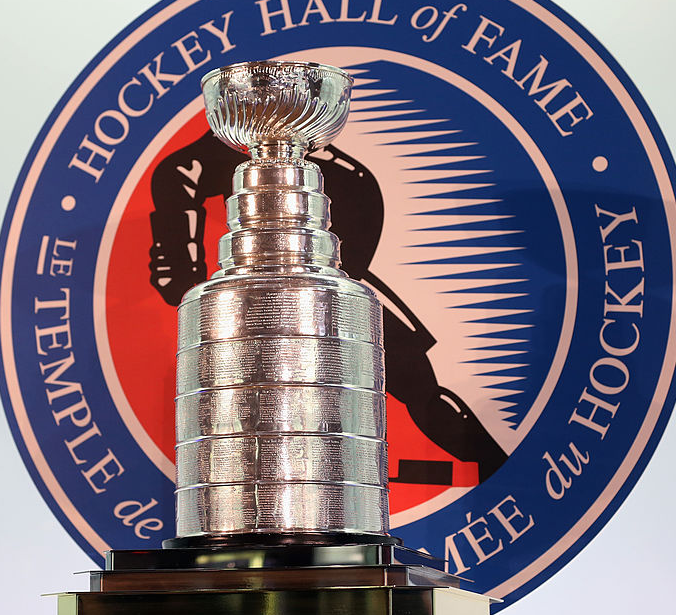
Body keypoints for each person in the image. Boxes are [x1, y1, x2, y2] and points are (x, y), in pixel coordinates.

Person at [147, 130, 507, 481]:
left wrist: (181, 267)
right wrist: (180, 263)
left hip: (333, 257)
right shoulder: (210, 160)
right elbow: (179, 178)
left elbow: (180, 177)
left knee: (412, 380)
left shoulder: (318, 168)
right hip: (290, 273)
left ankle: (496, 464)